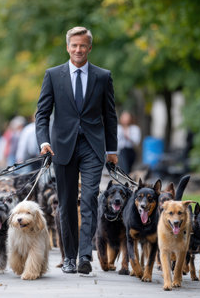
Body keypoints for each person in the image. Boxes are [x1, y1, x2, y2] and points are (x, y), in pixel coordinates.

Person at [35, 26, 118, 274]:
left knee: (90, 198)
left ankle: (84, 256)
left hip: (93, 146)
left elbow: (110, 115)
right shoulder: (53, 75)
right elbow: (42, 114)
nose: (78, 50)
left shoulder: (103, 76)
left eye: (83, 45)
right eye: (74, 45)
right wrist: (43, 141)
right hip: (62, 147)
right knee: (67, 203)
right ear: (68, 47)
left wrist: (112, 149)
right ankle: (69, 256)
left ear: (89, 48)